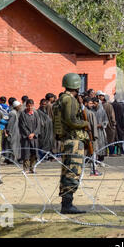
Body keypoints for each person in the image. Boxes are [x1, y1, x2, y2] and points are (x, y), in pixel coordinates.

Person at [56, 73, 91, 214]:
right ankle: (67, 204)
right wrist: (85, 123)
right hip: (74, 140)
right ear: (76, 85)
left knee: (67, 171)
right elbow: (71, 120)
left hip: (66, 139)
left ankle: (66, 203)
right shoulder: (69, 100)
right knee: (73, 171)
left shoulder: (61, 99)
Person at [18, 99, 41, 173]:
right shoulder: (23, 114)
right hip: (26, 137)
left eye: (31, 106)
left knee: (34, 153)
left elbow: (38, 125)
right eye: (28, 106)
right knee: (26, 153)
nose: (30, 107)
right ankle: (25, 169)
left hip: (34, 137)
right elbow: (22, 125)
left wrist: (34, 133)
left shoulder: (35, 114)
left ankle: (32, 168)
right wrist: (28, 134)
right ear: (26, 105)